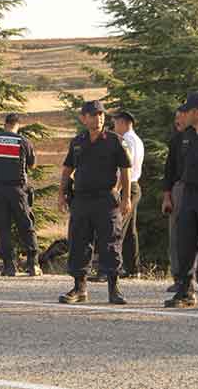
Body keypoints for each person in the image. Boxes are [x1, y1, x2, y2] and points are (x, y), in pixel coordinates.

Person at [58, 100, 132, 305]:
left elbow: (126, 170)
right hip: (81, 200)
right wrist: (61, 193)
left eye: (101, 114)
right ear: (84, 118)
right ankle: (79, 288)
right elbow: (67, 169)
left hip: (106, 200)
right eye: (93, 115)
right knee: (79, 241)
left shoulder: (115, 141)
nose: (98, 118)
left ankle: (114, 288)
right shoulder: (78, 141)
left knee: (110, 243)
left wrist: (125, 198)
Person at [164, 92, 198, 310]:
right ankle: (185, 291)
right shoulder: (188, 135)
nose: (184, 114)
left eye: (188, 110)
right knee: (185, 242)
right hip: (189, 195)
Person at [0, 113, 42, 277]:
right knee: (26, 226)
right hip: (18, 189)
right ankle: (33, 264)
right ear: (18, 125)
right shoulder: (23, 141)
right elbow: (32, 165)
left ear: (5, 124)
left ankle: (9, 266)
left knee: (4, 228)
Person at [162, 108, 191, 292]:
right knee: (176, 236)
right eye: (176, 118)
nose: (177, 121)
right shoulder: (176, 140)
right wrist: (167, 196)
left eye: (181, 117)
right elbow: (169, 170)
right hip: (179, 189)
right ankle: (179, 277)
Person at [113, 111, 144, 278]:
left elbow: (125, 168)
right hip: (134, 186)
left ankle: (112, 268)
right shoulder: (137, 140)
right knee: (130, 230)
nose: (114, 126)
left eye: (116, 122)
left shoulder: (126, 140)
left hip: (127, 186)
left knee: (118, 227)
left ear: (123, 123)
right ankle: (133, 268)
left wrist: (117, 189)